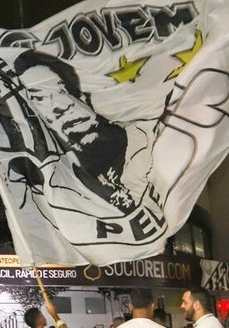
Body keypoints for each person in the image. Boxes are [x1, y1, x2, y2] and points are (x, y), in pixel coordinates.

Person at [13, 49, 157, 215]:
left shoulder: (139, 142)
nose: (61, 105)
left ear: (83, 97)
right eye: (40, 98)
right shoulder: (59, 176)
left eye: (61, 90)